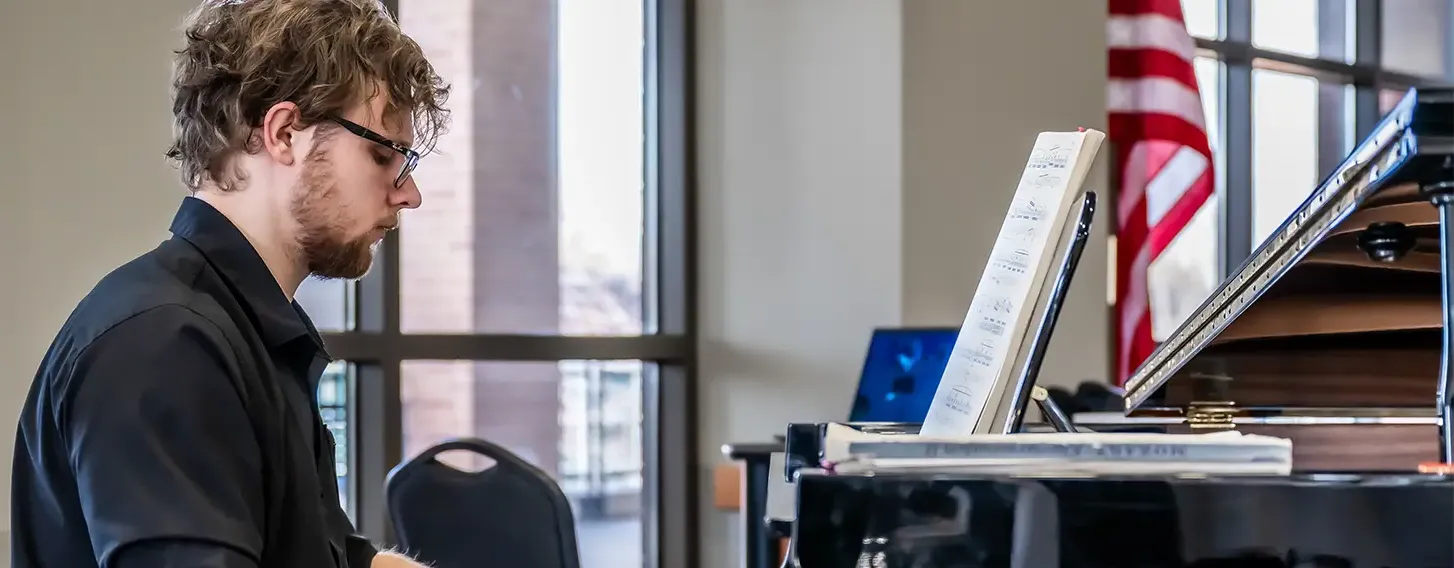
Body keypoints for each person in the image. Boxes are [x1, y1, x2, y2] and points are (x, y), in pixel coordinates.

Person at [10, 0, 449, 566]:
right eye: (384, 154)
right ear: (285, 132)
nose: (408, 192)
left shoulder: (247, 332)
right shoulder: (164, 344)